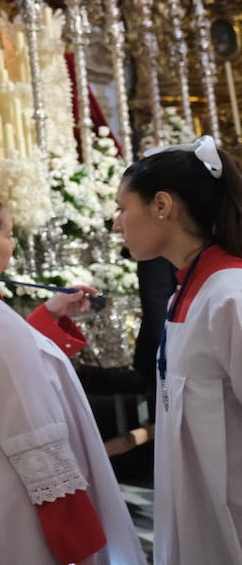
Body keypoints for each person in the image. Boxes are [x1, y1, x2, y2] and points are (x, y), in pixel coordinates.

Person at [0, 192, 142, 565]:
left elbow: (2, 367)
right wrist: (71, 523)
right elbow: (29, 428)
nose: (13, 243)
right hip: (13, 501)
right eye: (9, 233)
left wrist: (48, 315)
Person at [113, 136, 242, 563]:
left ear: (162, 205)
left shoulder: (230, 294)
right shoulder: (184, 291)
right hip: (194, 506)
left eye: (122, 208)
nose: (117, 223)